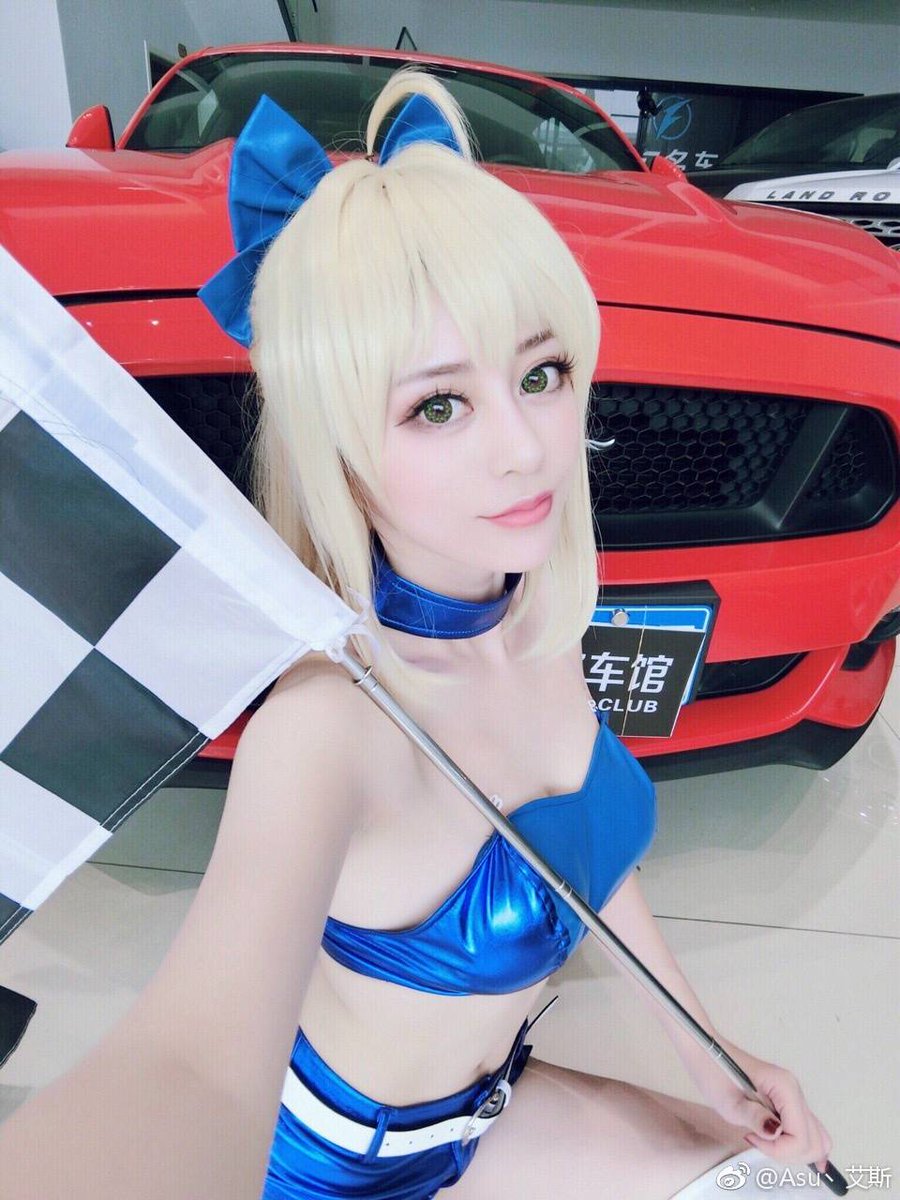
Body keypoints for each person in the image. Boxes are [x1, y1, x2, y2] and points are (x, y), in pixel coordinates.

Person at [0, 69, 831, 1200]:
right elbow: (188, 1064)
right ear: (338, 443)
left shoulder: (534, 616)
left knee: (781, 1180)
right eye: (438, 405)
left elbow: (586, 855)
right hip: (333, 1169)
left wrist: (710, 1056)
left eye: (540, 373)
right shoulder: (329, 722)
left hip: (491, 1113)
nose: (528, 448)